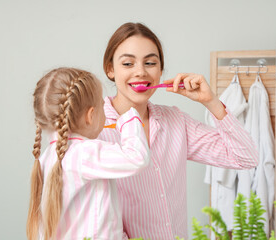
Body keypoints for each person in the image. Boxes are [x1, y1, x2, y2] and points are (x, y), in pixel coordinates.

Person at [99, 22, 259, 239]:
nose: (140, 72)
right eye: (128, 63)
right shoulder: (93, 128)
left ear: (161, 70)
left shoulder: (175, 121)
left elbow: (246, 158)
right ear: (110, 69)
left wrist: (211, 101)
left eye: (150, 63)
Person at [26, 67, 150, 240]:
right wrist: (129, 118)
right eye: (102, 104)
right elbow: (137, 157)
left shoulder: (46, 158)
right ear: (90, 116)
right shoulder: (85, 153)